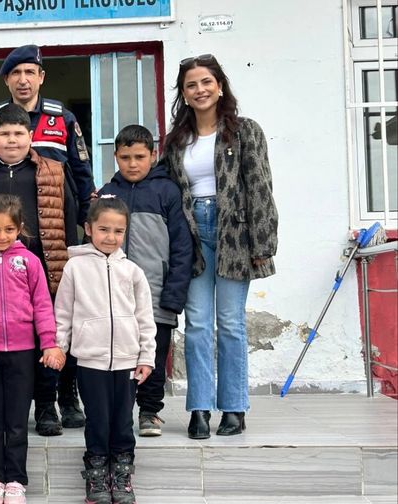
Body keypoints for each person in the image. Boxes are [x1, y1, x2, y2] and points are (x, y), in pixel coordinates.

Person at [0, 44, 93, 431]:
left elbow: (80, 176)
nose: (23, 79)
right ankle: (37, 405)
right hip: (2, 252)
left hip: (49, 244)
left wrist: (83, 232)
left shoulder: (62, 119)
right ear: (6, 79)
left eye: (30, 72)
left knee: (57, 323)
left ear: (41, 76)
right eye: (15, 73)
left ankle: (64, 396)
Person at [162, 54, 278, 439]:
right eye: (191, 85)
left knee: (230, 324)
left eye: (206, 82)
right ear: (184, 93)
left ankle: (233, 407)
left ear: (220, 85)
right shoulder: (176, 140)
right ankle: (199, 408)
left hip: (235, 234)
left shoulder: (245, 131)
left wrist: (263, 243)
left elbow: (260, 188)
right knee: (196, 325)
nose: (200, 90)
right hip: (193, 233)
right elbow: (163, 185)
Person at [54, 196, 156, 504]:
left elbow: (144, 318)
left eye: (118, 231)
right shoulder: (75, 267)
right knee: (97, 419)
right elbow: (64, 313)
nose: (110, 237)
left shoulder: (133, 272)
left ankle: (122, 474)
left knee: (123, 420)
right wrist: (60, 347)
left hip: (127, 361)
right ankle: (96, 474)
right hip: (90, 361)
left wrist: (146, 356)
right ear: (88, 229)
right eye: (103, 230)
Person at [0, 194, 66, 504]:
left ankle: (16, 481)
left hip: (23, 352)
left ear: (20, 228)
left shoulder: (30, 261)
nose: (1, 236)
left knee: (16, 421)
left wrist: (49, 342)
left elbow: (42, 305)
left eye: (9, 229)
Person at [96, 124, 193, 437]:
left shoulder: (167, 192)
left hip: (156, 293)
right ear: (116, 157)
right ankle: (119, 411)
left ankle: (150, 411)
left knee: (152, 354)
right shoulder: (107, 194)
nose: (132, 163)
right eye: (125, 157)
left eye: (139, 156)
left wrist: (174, 295)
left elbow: (182, 247)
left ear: (153, 155)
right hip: (114, 296)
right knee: (119, 355)